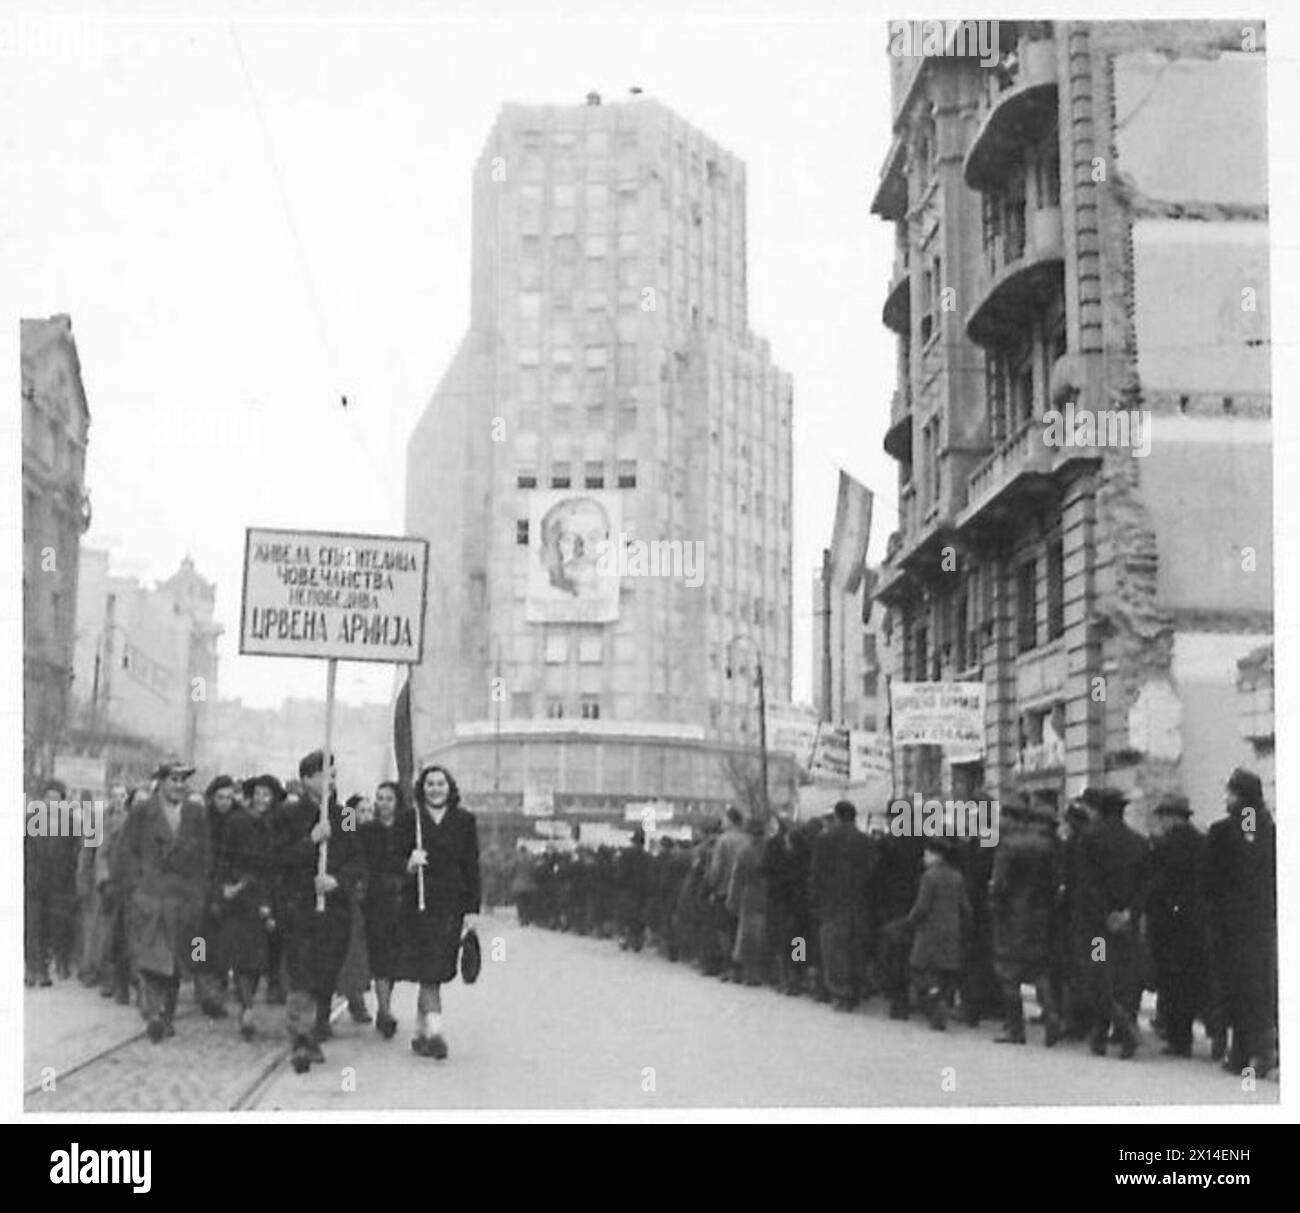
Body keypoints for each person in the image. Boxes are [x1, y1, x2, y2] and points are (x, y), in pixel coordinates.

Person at [274, 750, 365, 1073]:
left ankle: (315, 1028)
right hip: (300, 906)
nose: (333, 781)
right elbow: (278, 859)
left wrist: (337, 880)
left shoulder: (346, 817)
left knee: (326, 972)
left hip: (334, 909)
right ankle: (300, 1037)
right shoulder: (287, 815)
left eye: (336, 775)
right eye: (327, 775)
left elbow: (359, 861)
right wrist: (310, 841)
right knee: (302, 972)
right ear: (308, 779)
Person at [116, 758, 212, 1041]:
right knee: (149, 960)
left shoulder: (195, 814)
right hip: (150, 898)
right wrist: (136, 888)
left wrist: (198, 894)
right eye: (174, 780)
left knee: (175, 963)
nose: (180, 786)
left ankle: (165, 1015)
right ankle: (153, 1011)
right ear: (161, 782)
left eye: (184, 780)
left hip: (182, 901)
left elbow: (204, 858)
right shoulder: (143, 812)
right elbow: (126, 852)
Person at [395, 765, 481, 1060]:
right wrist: (409, 862)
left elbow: (472, 865)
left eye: (440, 783)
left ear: (450, 786)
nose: (435, 788)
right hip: (418, 902)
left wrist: (473, 908)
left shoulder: (465, 820)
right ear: (422, 788)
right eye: (429, 783)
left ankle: (421, 1032)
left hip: (451, 905)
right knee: (427, 968)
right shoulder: (410, 819)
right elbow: (391, 856)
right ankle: (435, 1031)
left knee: (437, 968)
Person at [1203, 767, 1277, 1078]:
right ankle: (1251, 1053)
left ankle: (1247, 1053)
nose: (1225, 797)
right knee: (1257, 986)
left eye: (1229, 792)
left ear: (1238, 795)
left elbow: (1210, 882)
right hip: (1260, 924)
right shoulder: (1268, 828)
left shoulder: (1223, 831)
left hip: (1229, 925)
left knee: (1234, 986)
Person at [1074, 786, 1147, 1059]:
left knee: (1096, 974)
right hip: (1126, 925)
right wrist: (1128, 912)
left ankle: (1114, 1029)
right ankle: (1110, 1031)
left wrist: (1106, 914)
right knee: (1120, 977)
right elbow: (1145, 886)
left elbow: (1087, 884)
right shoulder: (1138, 841)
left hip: (1097, 927)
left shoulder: (1089, 839)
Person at [989, 794, 1061, 1046]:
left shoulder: (1007, 845)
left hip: (1011, 916)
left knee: (1008, 971)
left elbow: (998, 885)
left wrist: (995, 907)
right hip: (1039, 915)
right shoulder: (1046, 845)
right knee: (1038, 968)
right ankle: (1052, 1014)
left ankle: (1014, 1029)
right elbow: (1054, 882)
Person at [215, 775, 278, 1040]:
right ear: (251, 795)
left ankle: (248, 1002)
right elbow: (224, 856)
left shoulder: (274, 824)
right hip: (240, 895)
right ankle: (247, 1008)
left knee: (258, 959)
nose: (263, 800)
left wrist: (271, 901)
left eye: (268, 795)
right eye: (259, 794)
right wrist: (225, 887)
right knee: (242, 957)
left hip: (266, 895)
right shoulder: (236, 822)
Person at [1144, 793, 1207, 1058]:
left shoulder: (1165, 846)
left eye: (1162, 817)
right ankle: (1187, 1036)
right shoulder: (1202, 842)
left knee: (1170, 982)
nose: (1160, 822)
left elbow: (1156, 887)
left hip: (1168, 925)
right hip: (1195, 923)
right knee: (1190, 980)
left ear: (1171, 817)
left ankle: (1177, 1039)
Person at [810, 800, 875, 1012]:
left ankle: (840, 993)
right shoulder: (866, 841)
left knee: (833, 949)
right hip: (861, 903)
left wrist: (815, 900)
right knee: (856, 949)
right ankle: (856, 989)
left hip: (832, 903)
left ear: (837, 816)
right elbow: (873, 873)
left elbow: (816, 874)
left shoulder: (825, 840)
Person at [903, 838, 970, 1031]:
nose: (925, 857)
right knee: (944, 972)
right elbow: (965, 907)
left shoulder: (929, 877)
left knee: (921, 970)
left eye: (927, 853)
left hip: (929, 930)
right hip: (951, 930)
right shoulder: (957, 877)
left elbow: (922, 906)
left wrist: (910, 921)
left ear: (937, 855)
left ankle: (935, 999)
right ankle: (941, 998)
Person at [359, 780, 407, 1039]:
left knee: (395, 958)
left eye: (388, 799)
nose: (383, 803)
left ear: (397, 802)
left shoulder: (407, 830)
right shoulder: (367, 830)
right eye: (379, 798)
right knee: (380, 956)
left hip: (401, 900)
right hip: (376, 900)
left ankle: (385, 1004)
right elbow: (354, 848)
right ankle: (384, 1010)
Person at [195, 775, 238, 1018]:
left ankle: (217, 990)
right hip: (203, 889)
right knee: (199, 942)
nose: (225, 802)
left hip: (227, 892)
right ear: (212, 798)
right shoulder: (202, 821)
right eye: (220, 797)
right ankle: (203, 987)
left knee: (223, 948)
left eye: (229, 798)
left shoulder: (237, 821)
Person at [335, 793, 374, 1024]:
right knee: (352, 949)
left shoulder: (376, 833)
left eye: (370, 811)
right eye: (362, 811)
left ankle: (359, 994)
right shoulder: (348, 825)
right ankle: (353, 997)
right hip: (351, 894)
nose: (367, 816)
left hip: (372, 896)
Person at [727, 817, 770, 986]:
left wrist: (732, 899)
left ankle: (749, 974)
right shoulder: (771, 848)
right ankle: (771, 973)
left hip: (750, 895)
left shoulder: (745, 851)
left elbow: (737, 878)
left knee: (748, 936)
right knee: (764, 934)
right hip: (769, 896)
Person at [706, 808, 748, 981]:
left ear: (730, 820)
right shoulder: (747, 839)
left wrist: (710, 887)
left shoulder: (723, 841)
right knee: (740, 930)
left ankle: (729, 965)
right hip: (745, 891)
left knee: (724, 929)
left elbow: (717, 868)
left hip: (724, 890)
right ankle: (742, 967)